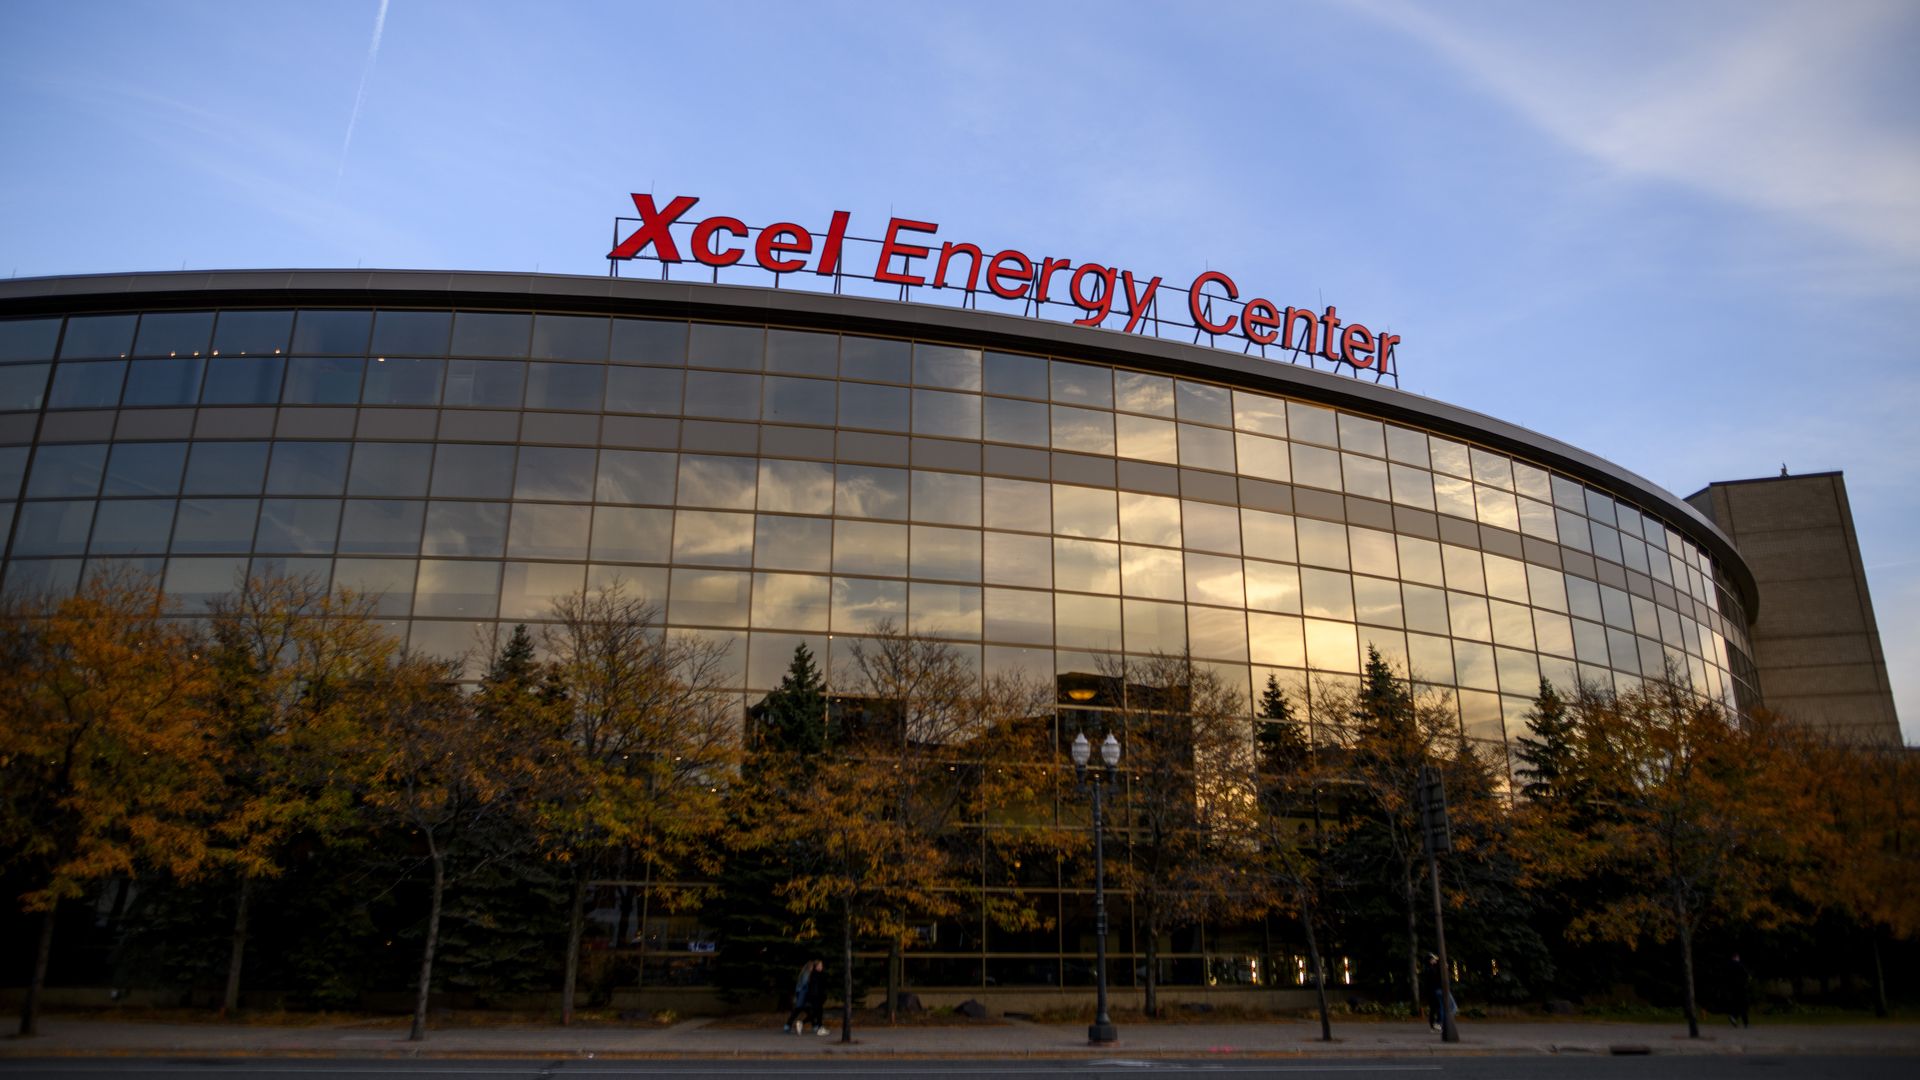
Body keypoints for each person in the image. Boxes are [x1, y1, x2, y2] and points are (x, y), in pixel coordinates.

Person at [782, 960, 814, 1034]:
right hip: (803, 996)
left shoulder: (802, 974)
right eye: (812, 967)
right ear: (810, 967)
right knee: (809, 1012)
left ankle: (787, 1026)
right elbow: (804, 984)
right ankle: (813, 1025)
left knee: (796, 1012)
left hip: (800, 996)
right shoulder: (807, 974)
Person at [802, 959, 829, 1035]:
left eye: (821, 965)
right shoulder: (815, 975)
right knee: (817, 1013)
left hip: (817, 997)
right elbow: (816, 988)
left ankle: (819, 1027)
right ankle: (803, 1023)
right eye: (820, 965)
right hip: (816, 997)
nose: (821, 967)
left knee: (818, 1013)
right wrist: (818, 996)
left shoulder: (817, 974)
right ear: (816, 966)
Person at [1727, 953, 1752, 1028]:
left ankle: (1734, 1017)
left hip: (1732, 988)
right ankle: (1745, 1022)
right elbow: (1746, 975)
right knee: (1744, 1004)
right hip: (1741, 987)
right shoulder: (1740, 965)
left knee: (1736, 1003)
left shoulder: (1729, 966)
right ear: (1737, 957)